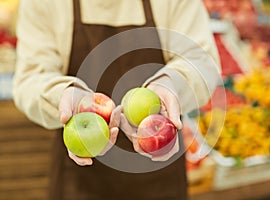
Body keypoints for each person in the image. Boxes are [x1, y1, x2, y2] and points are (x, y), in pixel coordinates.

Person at [13, 0, 221, 199]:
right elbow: (29, 79)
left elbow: (201, 61)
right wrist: (62, 94)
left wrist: (170, 84)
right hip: (79, 177)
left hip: (160, 176)